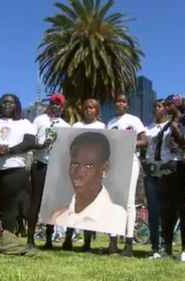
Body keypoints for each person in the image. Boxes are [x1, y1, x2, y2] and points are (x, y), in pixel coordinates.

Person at [0, 94, 38, 243]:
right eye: (3, 102)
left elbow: (29, 142)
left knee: (9, 206)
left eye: (10, 103)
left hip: (14, 168)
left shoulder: (25, 123)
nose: (6, 105)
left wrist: (10, 150)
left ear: (17, 105)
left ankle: (7, 243)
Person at [50, 132, 127, 234]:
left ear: (105, 169)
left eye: (89, 166)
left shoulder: (117, 216)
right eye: (74, 164)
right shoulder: (58, 217)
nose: (79, 173)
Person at [106, 93, 148, 257]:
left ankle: (129, 242)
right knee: (114, 201)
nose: (120, 104)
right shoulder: (110, 123)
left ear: (127, 105)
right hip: (114, 163)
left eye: (123, 101)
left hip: (131, 161)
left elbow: (144, 141)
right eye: (117, 101)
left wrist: (126, 142)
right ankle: (113, 240)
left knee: (129, 201)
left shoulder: (134, 120)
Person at [61, 98, 105, 252]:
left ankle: (87, 243)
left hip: (92, 171)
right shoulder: (77, 126)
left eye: (92, 108)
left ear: (97, 110)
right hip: (77, 168)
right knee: (72, 204)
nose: (88, 110)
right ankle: (68, 239)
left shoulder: (103, 127)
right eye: (86, 108)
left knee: (90, 206)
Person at [27, 93, 70, 249]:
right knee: (35, 201)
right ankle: (30, 238)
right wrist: (40, 145)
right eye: (52, 103)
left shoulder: (66, 126)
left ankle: (49, 240)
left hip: (56, 168)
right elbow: (30, 141)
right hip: (40, 164)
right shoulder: (39, 120)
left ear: (62, 107)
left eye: (58, 104)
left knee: (52, 203)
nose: (55, 106)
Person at [156, 94, 185, 262]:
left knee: (182, 208)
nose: (165, 106)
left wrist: (175, 126)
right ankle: (167, 248)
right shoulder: (165, 126)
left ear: (177, 105)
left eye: (168, 104)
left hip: (181, 166)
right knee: (167, 209)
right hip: (166, 168)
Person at [142, 99, 168, 258]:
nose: (156, 109)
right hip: (150, 172)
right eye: (155, 107)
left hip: (166, 172)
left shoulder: (171, 127)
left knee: (166, 210)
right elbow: (144, 150)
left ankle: (167, 245)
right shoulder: (147, 129)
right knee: (153, 210)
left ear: (166, 109)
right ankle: (154, 246)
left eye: (160, 106)